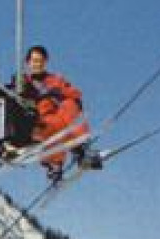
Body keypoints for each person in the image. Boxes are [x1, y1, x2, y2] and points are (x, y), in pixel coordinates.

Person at [11, 45, 99, 181]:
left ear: (45, 62)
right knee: (52, 124)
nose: (37, 64)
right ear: (28, 63)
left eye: (40, 61)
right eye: (34, 61)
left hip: (60, 111)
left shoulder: (55, 79)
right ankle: (54, 164)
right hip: (42, 116)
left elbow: (75, 93)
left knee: (69, 106)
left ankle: (82, 148)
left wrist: (58, 92)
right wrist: (20, 86)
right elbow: (15, 92)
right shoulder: (25, 80)